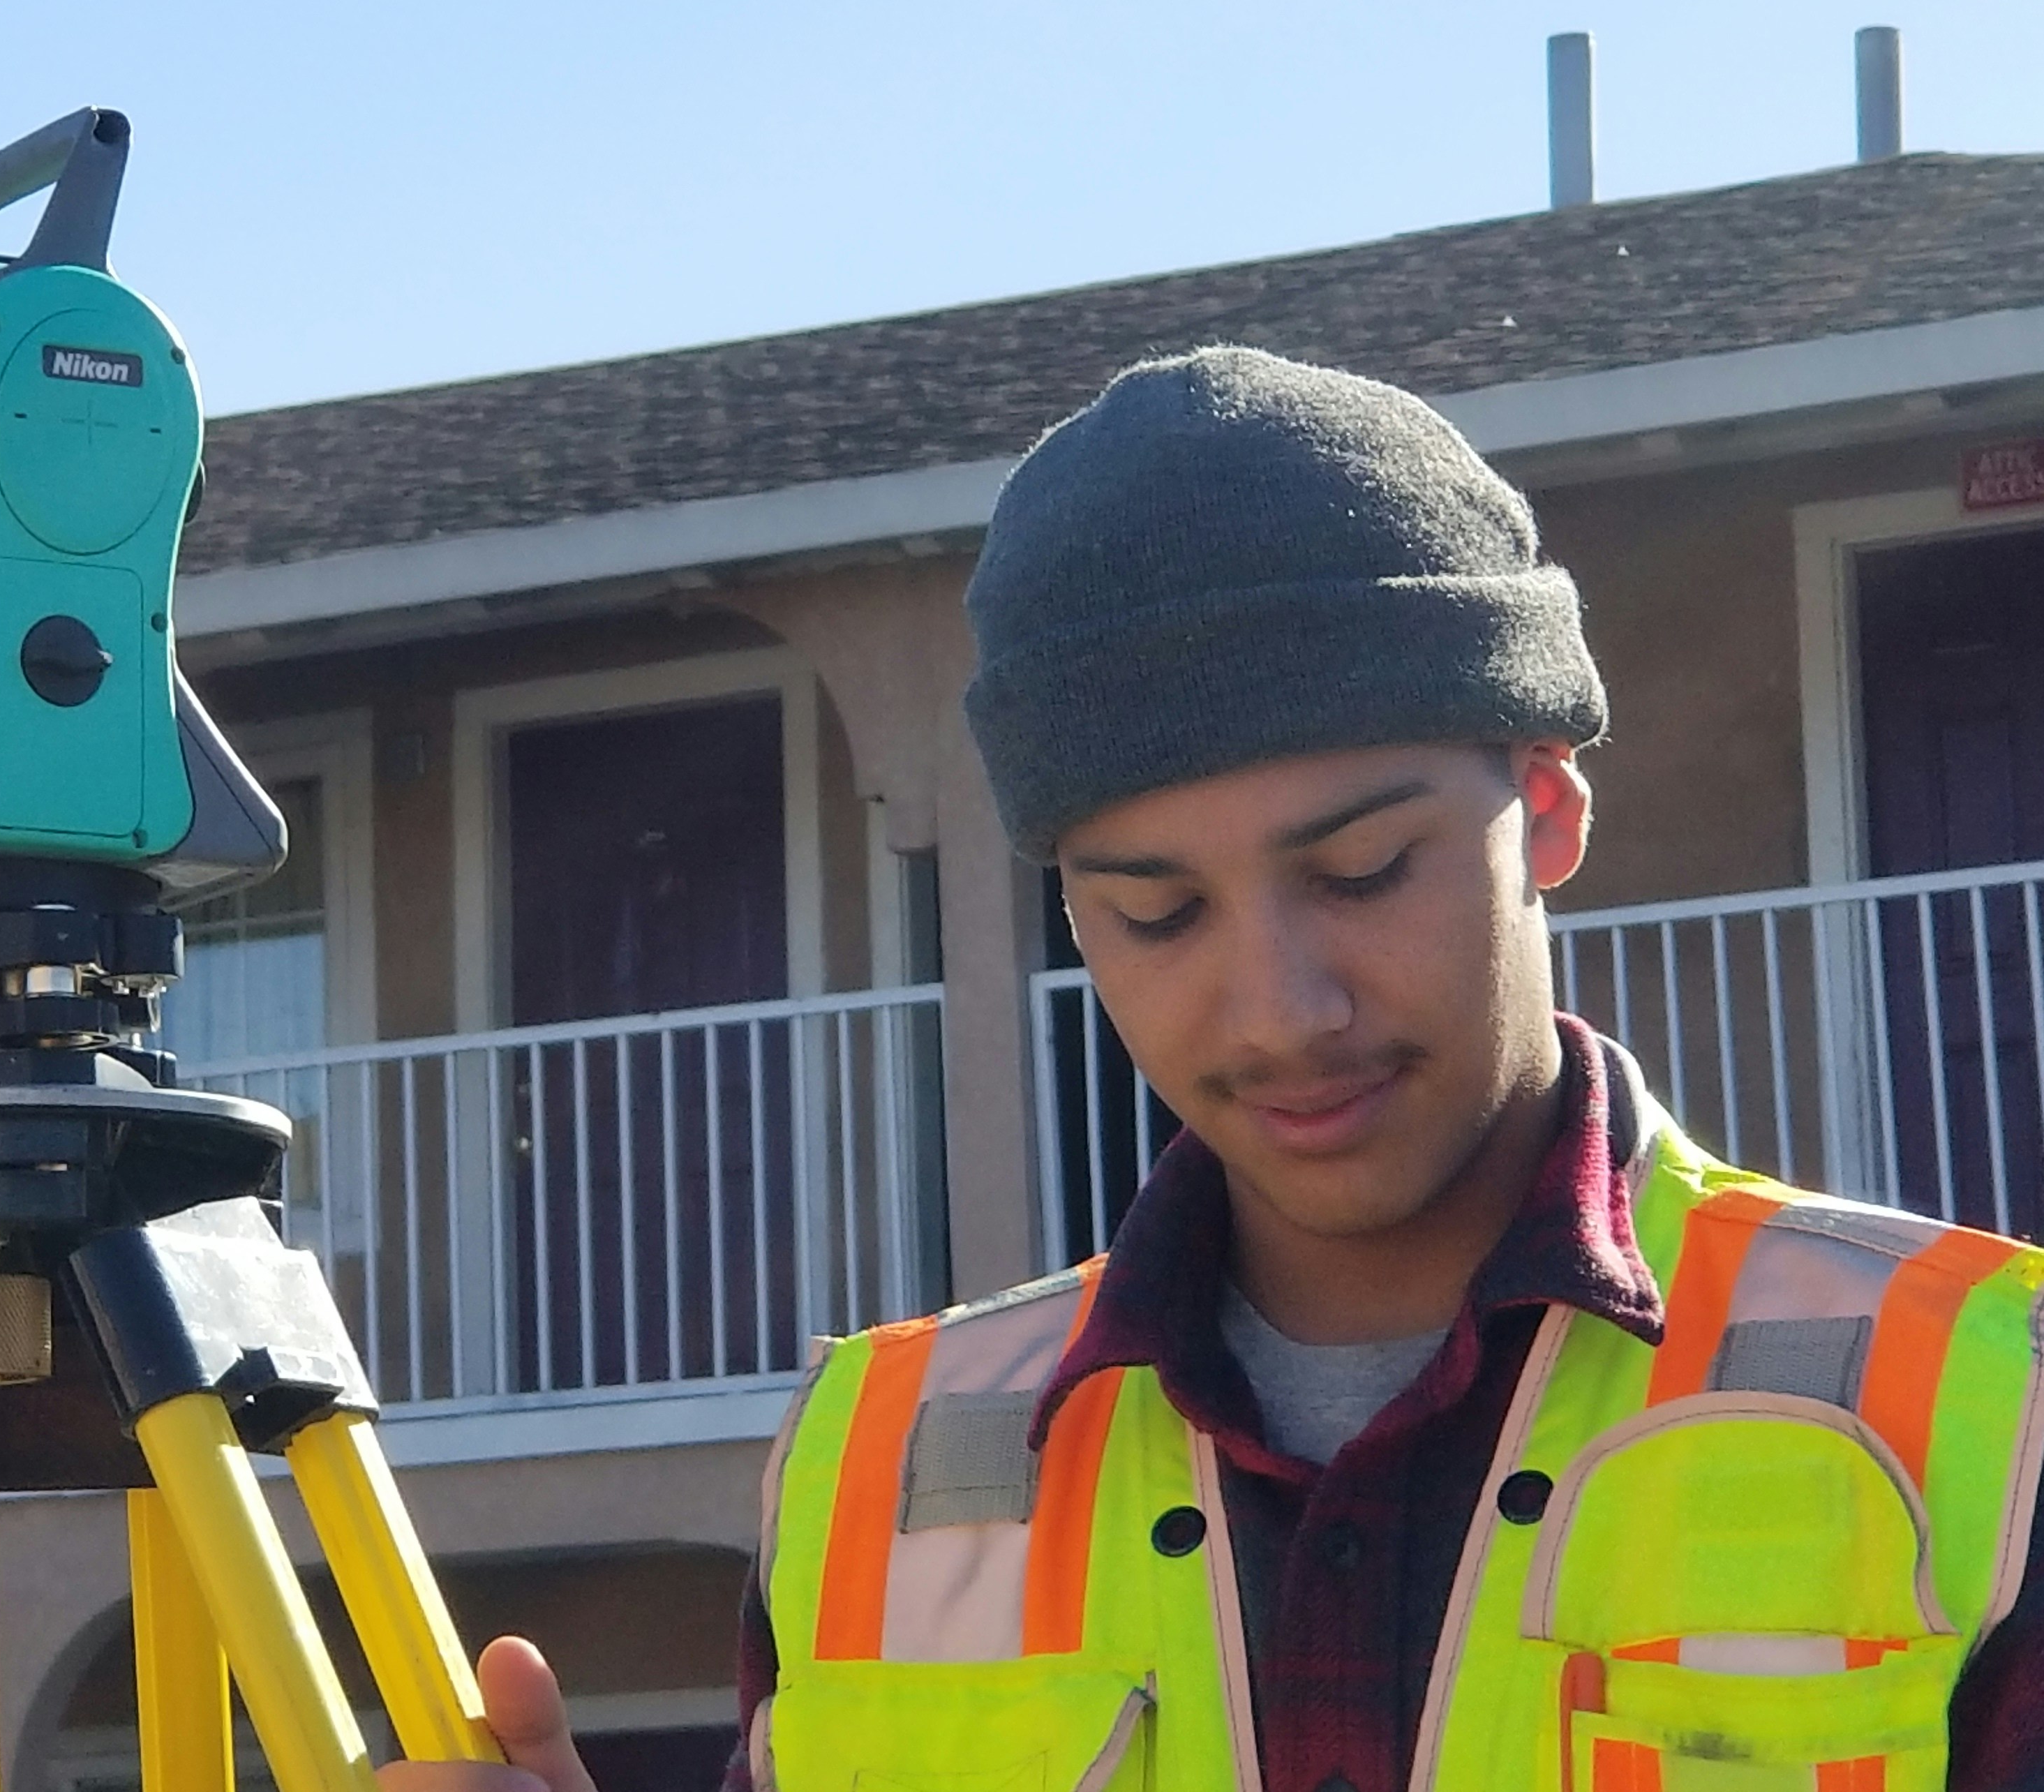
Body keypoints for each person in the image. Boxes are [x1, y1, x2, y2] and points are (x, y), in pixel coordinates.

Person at [383, 348, 2044, 1792]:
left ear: (1543, 810)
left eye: (1364, 869)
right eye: (1157, 910)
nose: (1277, 1011)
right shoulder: (872, 1459)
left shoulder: (1993, 1394)